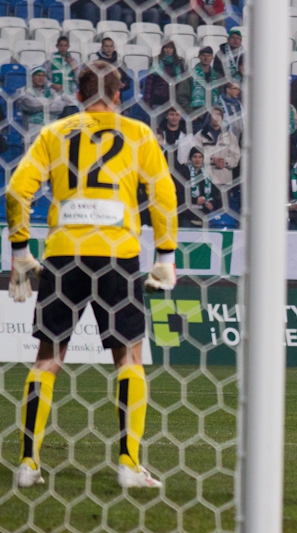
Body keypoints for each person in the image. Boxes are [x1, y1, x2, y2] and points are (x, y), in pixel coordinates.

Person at [8, 61, 177, 489]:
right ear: (118, 94)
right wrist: (165, 255)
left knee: (47, 359)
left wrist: (20, 251)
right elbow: (163, 192)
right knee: (129, 358)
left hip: (65, 255)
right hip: (117, 254)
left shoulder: (54, 133)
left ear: (78, 95)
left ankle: (28, 464)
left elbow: (16, 192)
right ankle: (129, 464)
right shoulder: (138, 133)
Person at [192, 106, 241, 194]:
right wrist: (211, 160)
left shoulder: (231, 137)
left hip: (224, 182)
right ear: (209, 117)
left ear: (222, 117)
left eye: (219, 114)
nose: (216, 117)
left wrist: (225, 162)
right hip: (206, 180)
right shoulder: (200, 135)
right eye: (214, 114)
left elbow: (236, 158)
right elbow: (194, 157)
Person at [175, 146, 222, 227]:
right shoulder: (184, 173)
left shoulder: (208, 174)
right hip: (187, 215)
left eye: (200, 157)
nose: (197, 160)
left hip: (205, 214)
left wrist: (211, 203)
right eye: (194, 157)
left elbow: (215, 194)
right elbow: (179, 195)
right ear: (190, 158)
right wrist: (195, 200)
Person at [16, 65, 68, 134]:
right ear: (31, 77)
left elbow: (59, 108)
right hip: (31, 132)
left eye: (43, 76)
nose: (41, 78)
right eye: (38, 75)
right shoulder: (23, 91)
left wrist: (39, 105)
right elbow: (31, 104)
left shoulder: (52, 91)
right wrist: (51, 101)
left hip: (51, 130)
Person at [144, 41, 191, 113]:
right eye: (166, 48)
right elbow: (149, 84)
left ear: (174, 50)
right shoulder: (156, 64)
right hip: (157, 102)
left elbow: (182, 84)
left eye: (170, 48)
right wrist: (147, 102)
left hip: (174, 103)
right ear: (162, 49)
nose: (168, 50)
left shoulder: (178, 64)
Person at [190, 46, 222, 120]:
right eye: (203, 55)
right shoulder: (190, 75)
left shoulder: (217, 76)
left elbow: (220, 95)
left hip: (213, 116)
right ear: (199, 56)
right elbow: (182, 95)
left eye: (208, 56)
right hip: (196, 116)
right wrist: (191, 113)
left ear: (212, 57)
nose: (206, 58)